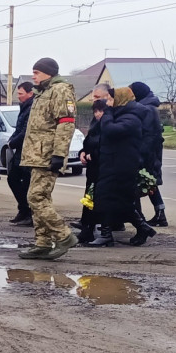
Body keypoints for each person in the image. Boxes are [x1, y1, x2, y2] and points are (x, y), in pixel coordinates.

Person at [19, 57, 79, 260]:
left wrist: (59, 154)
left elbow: (66, 123)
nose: (33, 76)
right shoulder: (43, 91)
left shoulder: (60, 90)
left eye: (36, 72)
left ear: (48, 73)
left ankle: (64, 236)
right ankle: (42, 243)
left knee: (35, 198)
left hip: (47, 155)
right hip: (36, 154)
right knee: (40, 199)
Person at [84, 87, 157, 247]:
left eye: (110, 99)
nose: (108, 103)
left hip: (122, 165)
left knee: (105, 198)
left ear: (120, 100)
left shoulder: (132, 117)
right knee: (120, 201)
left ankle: (106, 234)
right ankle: (143, 227)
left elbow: (111, 131)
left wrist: (107, 114)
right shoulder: (120, 114)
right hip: (111, 163)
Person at [74, 84, 111, 245]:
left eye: (97, 97)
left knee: (98, 198)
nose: (93, 101)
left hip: (101, 165)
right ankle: (86, 228)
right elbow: (90, 139)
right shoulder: (96, 119)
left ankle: (99, 230)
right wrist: (82, 151)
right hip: (92, 165)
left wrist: (91, 154)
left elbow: (103, 143)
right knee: (89, 197)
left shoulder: (109, 118)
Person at [128, 81, 167, 226]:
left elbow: (149, 136)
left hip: (148, 153)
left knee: (145, 182)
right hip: (149, 152)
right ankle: (160, 213)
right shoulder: (147, 107)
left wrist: (141, 154)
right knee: (150, 182)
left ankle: (141, 219)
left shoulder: (147, 109)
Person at [6, 82, 36, 226]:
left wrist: (13, 143)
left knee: (26, 183)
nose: (18, 96)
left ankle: (29, 213)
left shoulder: (32, 108)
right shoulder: (24, 108)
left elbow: (26, 131)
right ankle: (23, 209)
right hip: (20, 151)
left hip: (29, 152)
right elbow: (18, 129)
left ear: (30, 94)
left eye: (21, 93)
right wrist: (11, 140)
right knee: (12, 178)